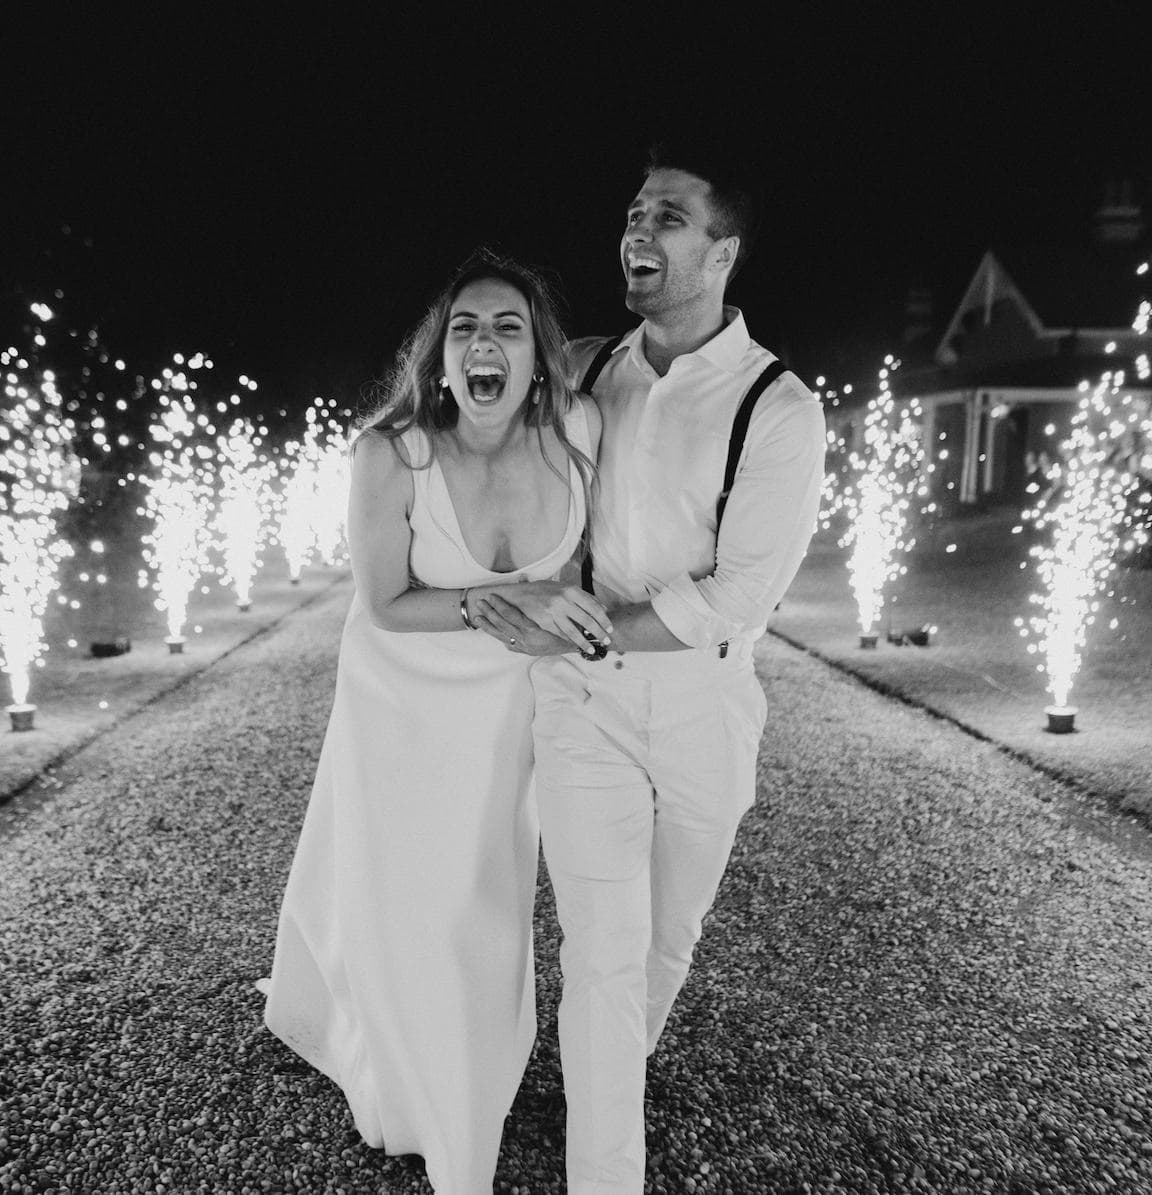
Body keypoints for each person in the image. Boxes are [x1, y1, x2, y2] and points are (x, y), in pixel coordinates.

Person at [474, 144, 826, 1193]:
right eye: (633, 210)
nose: (637, 230)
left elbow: (739, 597)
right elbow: (501, 473)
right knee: (605, 948)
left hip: (703, 705)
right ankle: (604, 1167)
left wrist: (584, 626)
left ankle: (604, 1069)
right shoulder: (581, 370)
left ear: (721, 251)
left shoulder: (779, 406)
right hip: (579, 702)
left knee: (667, 939)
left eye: (667, 216)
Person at [264, 250, 609, 1194]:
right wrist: (502, 602)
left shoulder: (580, 431)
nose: (484, 343)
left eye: (507, 326)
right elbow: (382, 601)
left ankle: (475, 1067)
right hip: (400, 699)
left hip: (507, 708)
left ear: (539, 355)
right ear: (439, 357)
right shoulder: (391, 452)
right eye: (464, 328)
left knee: (486, 899)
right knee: (405, 898)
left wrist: (559, 613)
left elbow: (590, 571)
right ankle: (422, 1099)